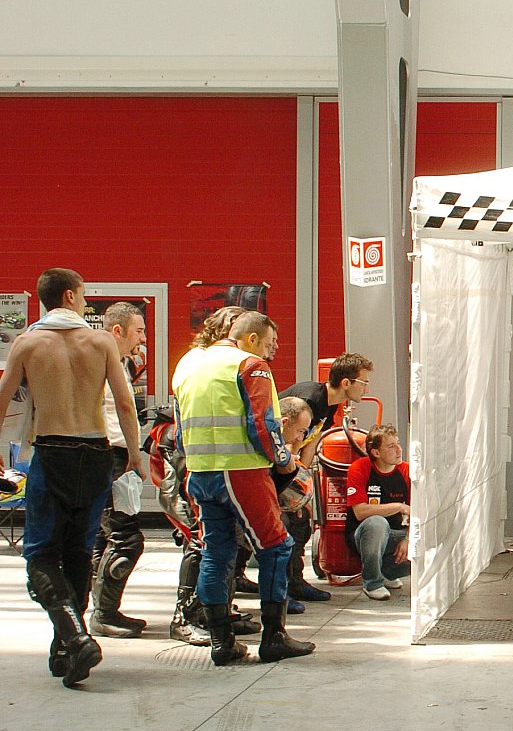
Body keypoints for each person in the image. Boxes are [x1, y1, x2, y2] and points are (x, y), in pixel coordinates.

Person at [0, 268, 143, 687]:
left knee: (41, 554)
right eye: (82, 296)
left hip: (53, 451)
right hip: (96, 452)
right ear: (68, 296)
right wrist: (134, 454)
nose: (85, 303)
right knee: (79, 550)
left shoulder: (28, 343)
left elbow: (3, 400)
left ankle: (75, 638)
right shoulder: (100, 342)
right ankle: (64, 645)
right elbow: (125, 404)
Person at [172, 310, 315, 665]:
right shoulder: (251, 366)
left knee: (215, 551)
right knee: (277, 546)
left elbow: (179, 425)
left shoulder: (187, 365)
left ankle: (222, 642)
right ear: (251, 338)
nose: (272, 351)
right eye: (269, 343)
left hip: (200, 472)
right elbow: (263, 425)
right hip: (242, 471)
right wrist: (284, 462)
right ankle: (274, 636)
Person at [279, 352, 375, 598]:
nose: (366, 389)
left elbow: (311, 441)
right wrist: (288, 485)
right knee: (288, 526)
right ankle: (284, 586)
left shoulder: (329, 406)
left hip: (287, 469)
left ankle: (293, 582)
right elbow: (289, 439)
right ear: (346, 383)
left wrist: (300, 483)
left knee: (300, 523)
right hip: (272, 467)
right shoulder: (309, 399)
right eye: (363, 382)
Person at [89, 302, 150, 638]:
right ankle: (103, 613)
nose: (142, 338)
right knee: (126, 539)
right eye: (138, 331)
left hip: (110, 455)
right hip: (111, 455)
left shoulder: (118, 362)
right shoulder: (101, 361)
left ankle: (101, 610)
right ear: (117, 330)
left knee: (105, 536)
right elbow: (121, 408)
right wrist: (134, 456)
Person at [346, 424, 411, 600]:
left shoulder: (406, 470)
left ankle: (387, 572)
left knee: (426, 537)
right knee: (377, 523)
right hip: (363, 535)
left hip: (394, 535)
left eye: (398, 443)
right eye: (391, 446)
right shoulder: (360, 468)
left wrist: (408, 538)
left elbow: (417, 511)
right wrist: (399, 506)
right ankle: (372, 582)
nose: (399, 450)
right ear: (376, 452)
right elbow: (360, 512)